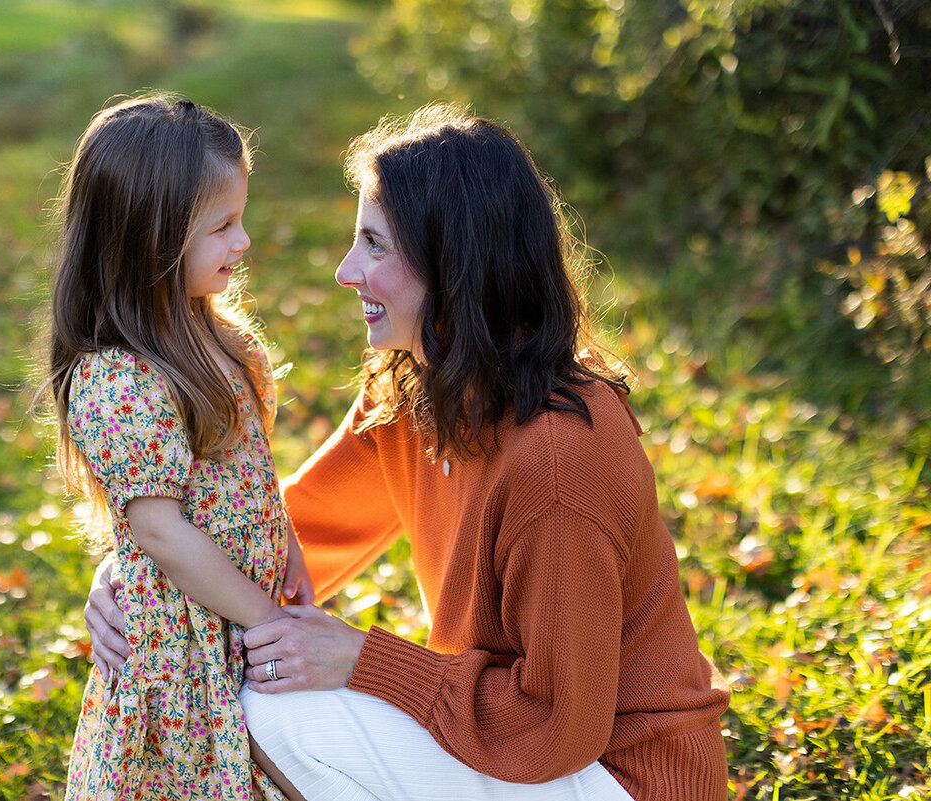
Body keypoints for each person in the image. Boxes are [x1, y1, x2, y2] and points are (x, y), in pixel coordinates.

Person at [84, 104, 730, 801]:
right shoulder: (422, 389)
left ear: (454, 263)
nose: (343, 270)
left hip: (620, 773)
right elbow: (290, 532)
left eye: (374, 244)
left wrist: (365, 660)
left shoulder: (558, 462)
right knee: (262, 676)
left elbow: (558, 721)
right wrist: (137, 572)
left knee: (270, 708)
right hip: (526, 751)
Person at [45, 94, 314, 801]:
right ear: (151, 240)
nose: (244, 241)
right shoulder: (119, 380)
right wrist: (267, 617)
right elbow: (158, 530)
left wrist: (289, 547)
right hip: (180, 646)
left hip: (239, 622)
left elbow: (254, 472)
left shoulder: (225, 339)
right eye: (223, 226)